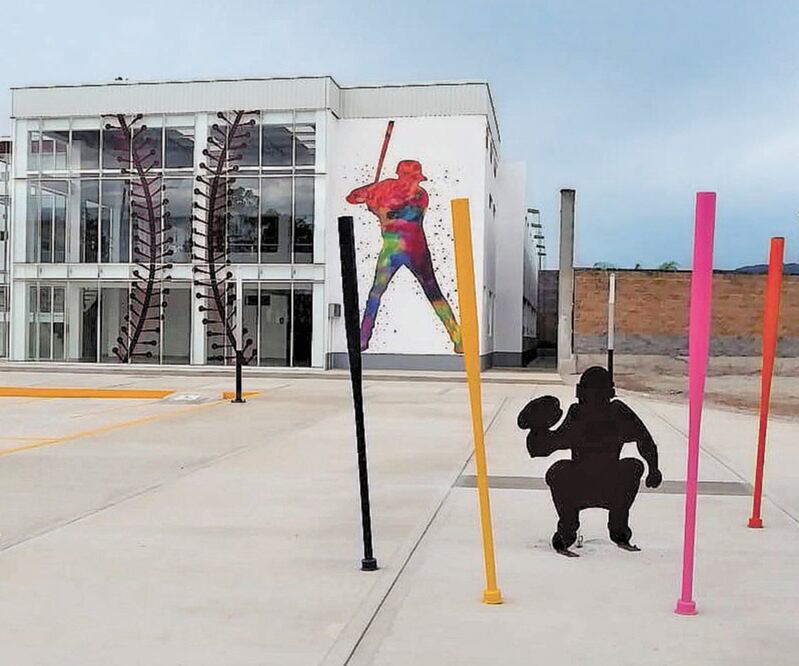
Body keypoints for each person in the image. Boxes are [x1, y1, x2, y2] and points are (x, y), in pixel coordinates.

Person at [519, 366, 663, 556]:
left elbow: (544, 448)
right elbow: (645, 440)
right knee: (633, 466)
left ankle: (568, 531)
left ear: (580, 393)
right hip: (612, 485)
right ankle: (616, 529)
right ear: (610, 393)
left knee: (558, 471)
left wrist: (538, 428)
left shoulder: (579, 414)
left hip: (579, 485)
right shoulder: (618, 413)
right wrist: (653, 469)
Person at [346, 160, 462, 352]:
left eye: (417, 179)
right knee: (375, 293)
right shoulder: (384, 187)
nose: (416, 183)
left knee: (433, 292)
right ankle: (362, 339)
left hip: (416, 251)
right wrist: (368, 191)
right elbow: (351, 198)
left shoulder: (420, 196)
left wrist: (375, 204)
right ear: (403, 176)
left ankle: (458, 338)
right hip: (391, 251)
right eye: (413, 178)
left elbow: (398, 213)